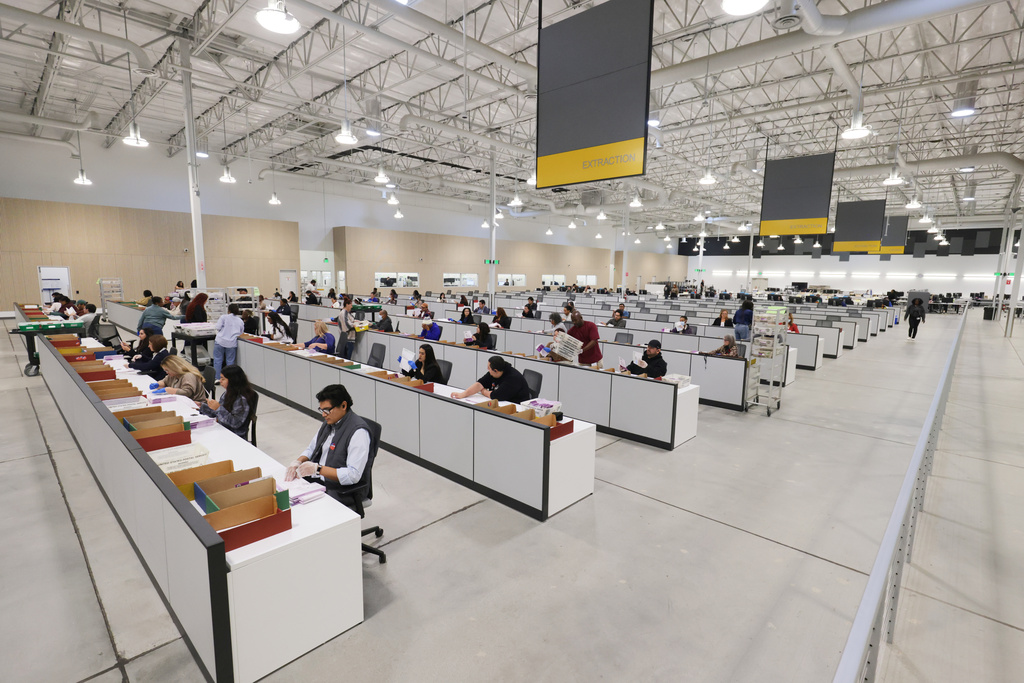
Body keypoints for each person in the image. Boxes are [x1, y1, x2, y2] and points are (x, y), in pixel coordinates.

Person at [284, 384, 374, 504]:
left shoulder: (358, 432)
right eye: (321, 410)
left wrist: (318, 469)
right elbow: (312, 448)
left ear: (343, 405)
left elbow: (353, 475)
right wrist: (298, 461)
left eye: (327, 410)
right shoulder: (330, 423)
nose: (323, 415)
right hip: (320, 480)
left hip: (341, 489)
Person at [199, 365, 255, 439]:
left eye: (223, 378)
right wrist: (202, 406)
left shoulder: (242, 399)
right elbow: (219, 414)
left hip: (235, 436)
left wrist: (218, 408)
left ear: (233, 380)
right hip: (223, 429)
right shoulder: (227, 393)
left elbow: (235, 423)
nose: (220, 381)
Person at [453, 356, 531, 403]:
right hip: (503, 403)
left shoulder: (513, 378)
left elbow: (496, 396)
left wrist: (484, 391)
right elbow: (480, 383)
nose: (487, 369)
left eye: (489, 368)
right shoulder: (494, 372)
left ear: (496, 370)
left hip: (516, 407)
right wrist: (463, 394)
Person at [213, 303, 244, 378]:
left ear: (228, 310)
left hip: (220, 341)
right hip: (232, 343)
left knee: (218, 360)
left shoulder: (223, 317)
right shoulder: (240, 321)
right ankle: (229, 378)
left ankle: (217, 378)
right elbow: (241, 332)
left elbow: (218, 327)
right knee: (230, 362)